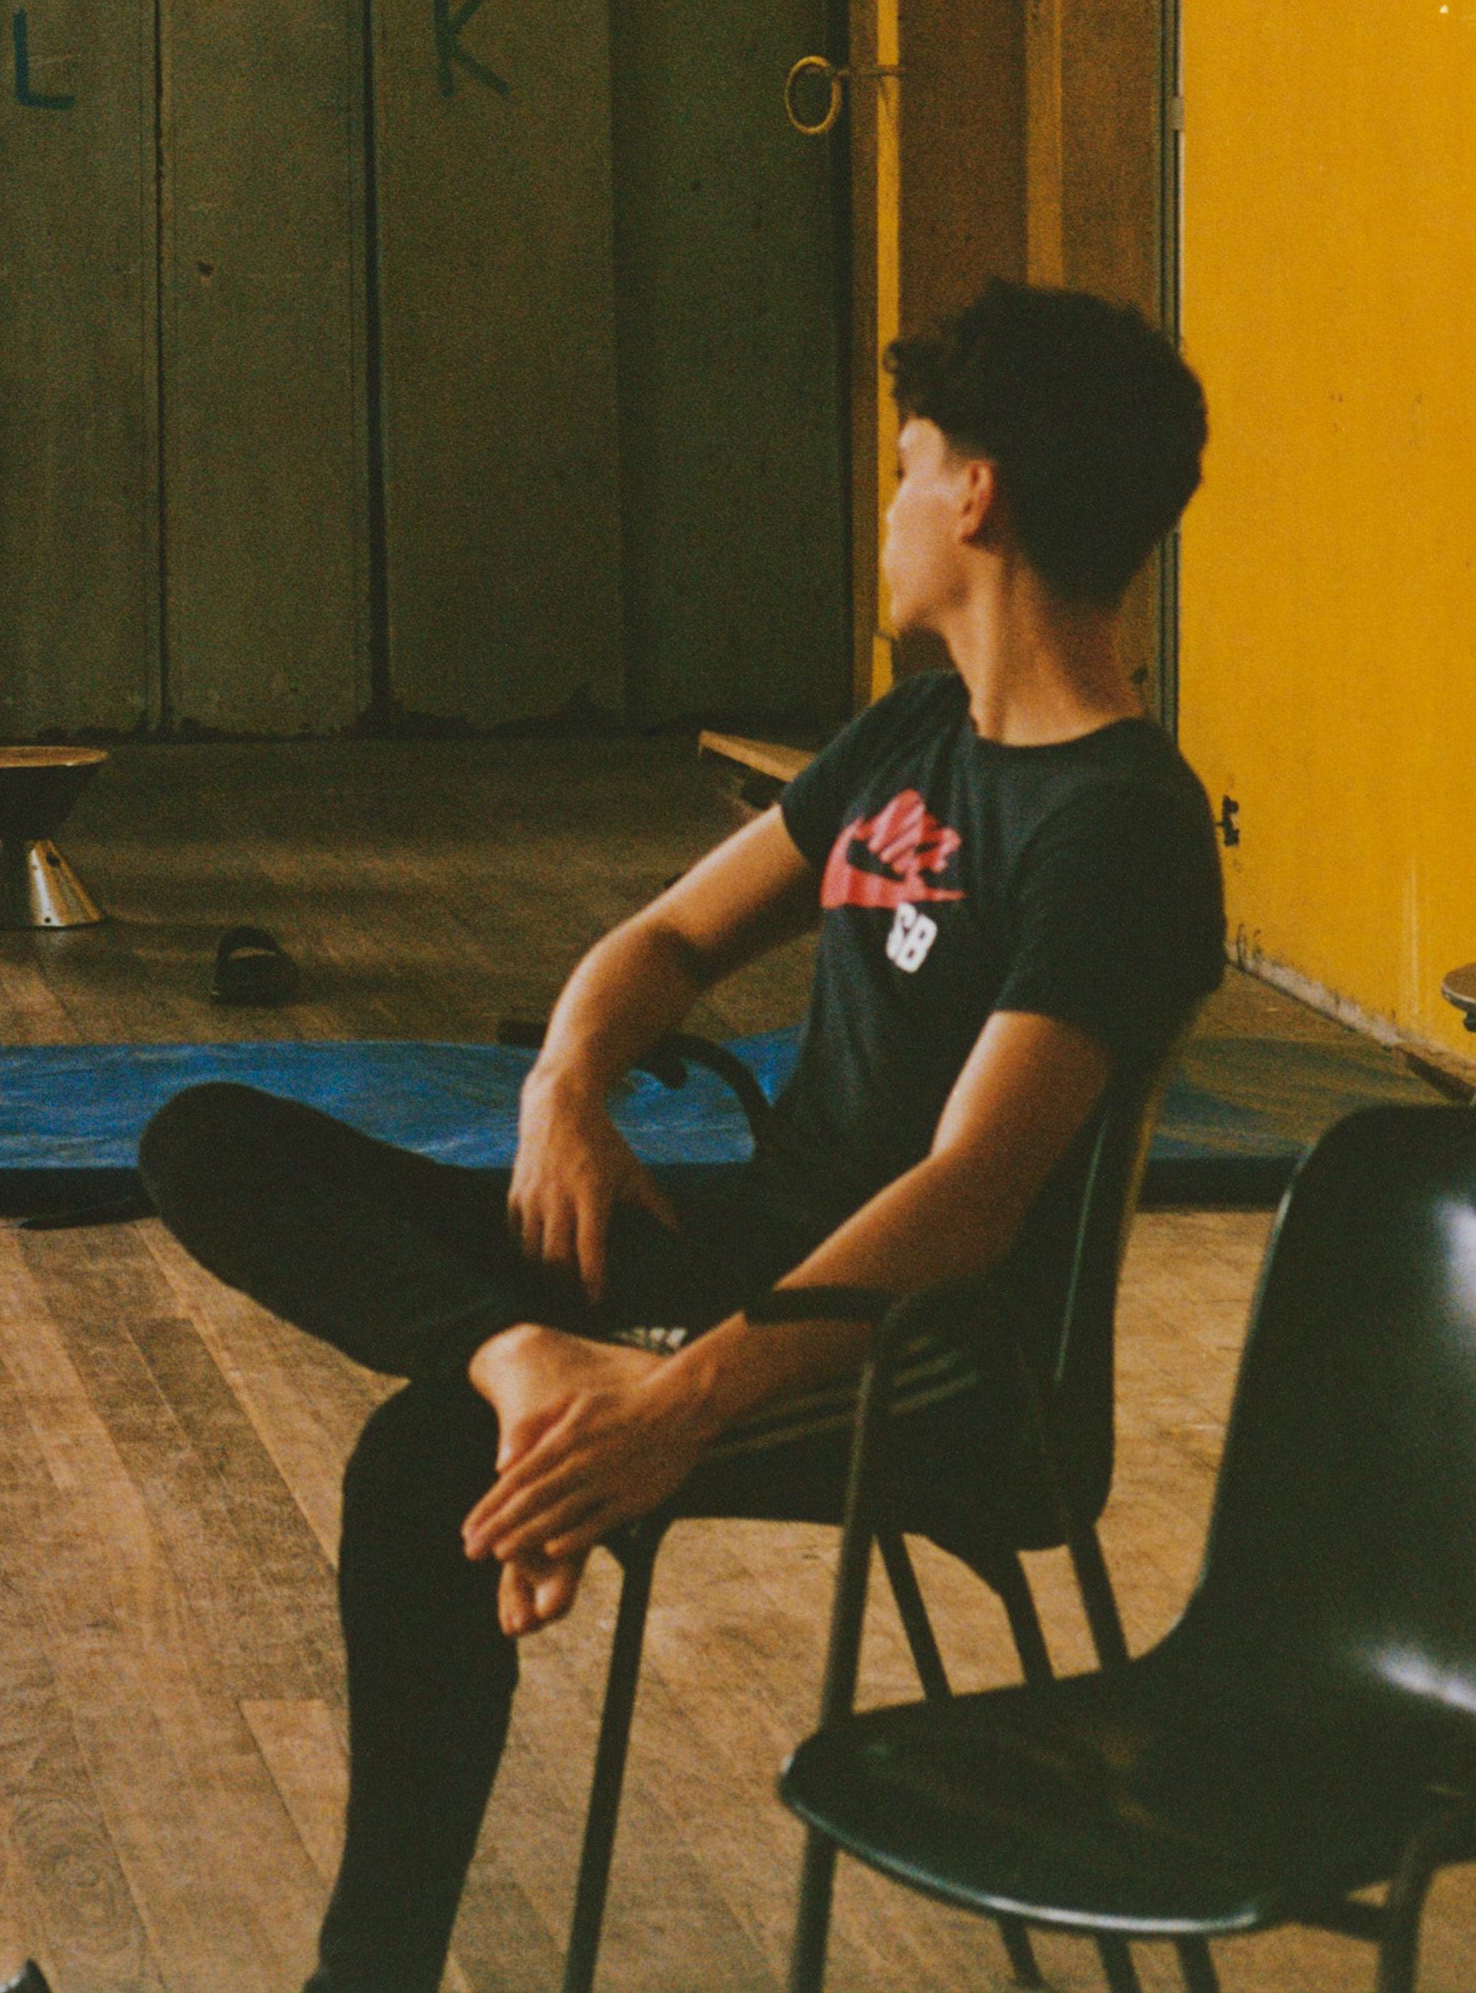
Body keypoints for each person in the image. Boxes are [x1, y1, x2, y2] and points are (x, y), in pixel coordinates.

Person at [134, 284, 1221, 1993]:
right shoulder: (910, 740)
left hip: (915, 1356)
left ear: (980, 496)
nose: (887, 500)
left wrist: (681, 1395)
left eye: (907, 462)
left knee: (420, 1473)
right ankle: (523, 1362)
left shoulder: (1125, 830)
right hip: (730, 1258)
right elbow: (663, 947)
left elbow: (968, 1200)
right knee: (206, 1137)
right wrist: (566, 1085)